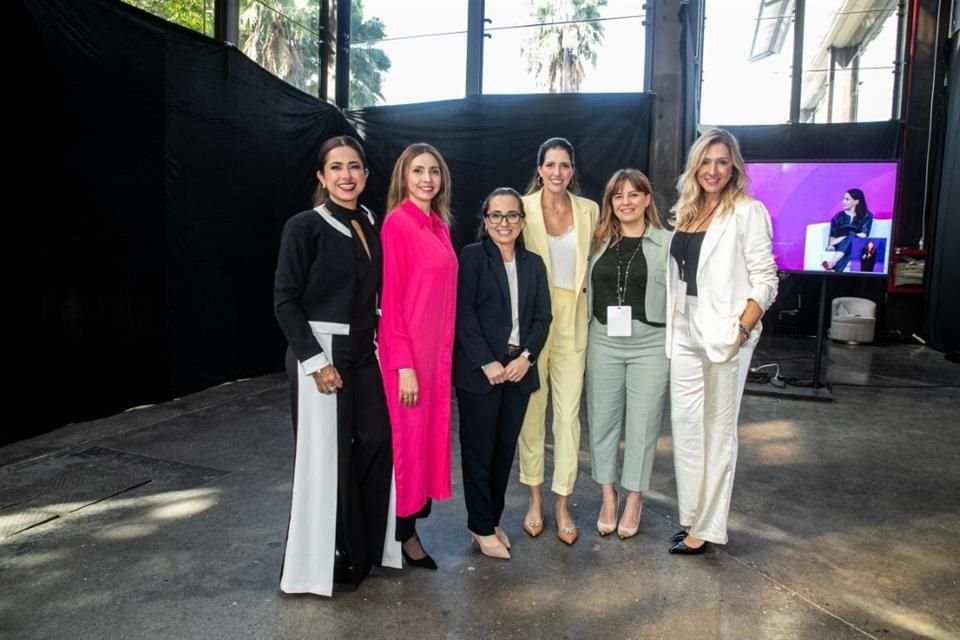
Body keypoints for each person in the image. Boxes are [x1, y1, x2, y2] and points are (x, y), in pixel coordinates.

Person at [274, 135, 400, 596]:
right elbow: (284, 301)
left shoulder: (369, 221)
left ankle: (359, 548)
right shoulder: (304, 225)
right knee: (324, 457)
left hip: (364, 351)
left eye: (354, 167)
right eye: (336, 167)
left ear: (366, 176)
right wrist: (314, 360)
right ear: (322, 177)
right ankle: (316, 565)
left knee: (377, 440)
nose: (346, 175)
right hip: (320, 349)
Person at [666, 128, 778, 555]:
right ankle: (693, 517)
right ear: (695, 165)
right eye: (706, 161)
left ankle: (708, 528)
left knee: (718, 431)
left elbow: (767, 279)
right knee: (686, 428)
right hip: (684, 327)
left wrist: (742, 330)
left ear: (734, 168)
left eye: (722, 162)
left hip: (726, 333)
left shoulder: (748, 212)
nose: (713, 170)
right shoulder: (686, 211)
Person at [454, 188, 552, 560]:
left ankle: (491, 520)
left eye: (512, 215)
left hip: (518, 371)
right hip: (481, 373)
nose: (504, 223)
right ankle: (479, 526)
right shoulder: (473, 257)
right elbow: (465, 315)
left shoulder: (533, 263)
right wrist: (486, 362)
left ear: (522, 221)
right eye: (495, 215)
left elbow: (544, 318)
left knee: (502, 452)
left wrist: (526, 357)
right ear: (485, 220)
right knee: (478, 453)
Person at [379, 143, 458, 570]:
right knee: (407, 446)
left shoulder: (438, 226)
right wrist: (404, 365)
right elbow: (391, 301)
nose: (427, 179)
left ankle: (409, 530)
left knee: (426, 442)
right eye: (418, 171)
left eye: (434, 171)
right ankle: (400, 537)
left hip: (436, 358)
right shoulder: (397, 224)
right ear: (404, 178)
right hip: (408, 359)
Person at [517, 137, 599, 545]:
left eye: (564, 165)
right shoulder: (521, 206)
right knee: (532, 411)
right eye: (550, 164)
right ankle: (534, 499)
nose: (557, 172)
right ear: (539, 169)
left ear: (572, 170)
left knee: (567, 417)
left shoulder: (590, 211)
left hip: (573, 320)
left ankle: (562, 502)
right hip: (533, 320)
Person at [585, 169, 671, 540]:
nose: (626, 202)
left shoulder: (668, 242)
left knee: (643, 424)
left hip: (650, 343)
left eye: (634, 194)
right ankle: (608, 495)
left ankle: (634, 498)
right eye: (618, 196)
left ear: (648, 199)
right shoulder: (598, 240)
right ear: (610, 203)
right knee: (601, 422)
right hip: (603, 339)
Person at [823, 188, 873, 273]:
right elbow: (831, 242)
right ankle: (835, 268)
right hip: (839, 245)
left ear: (856, 202)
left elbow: (864, 235)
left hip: (858, 244)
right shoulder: (838, 217)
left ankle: (833, 263)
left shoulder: (867, 215)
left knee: (852, 239)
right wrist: (846, 238)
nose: (843, 202)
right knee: (851, 246)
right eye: (843, 199)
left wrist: (851, 237)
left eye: (847, 199)